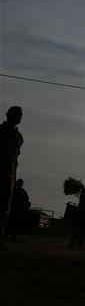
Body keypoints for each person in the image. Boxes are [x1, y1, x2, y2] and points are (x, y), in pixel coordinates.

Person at [0, 106, 24, 248]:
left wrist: (13, 179)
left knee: (4, 210)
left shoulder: (19, 137)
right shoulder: (0, 131)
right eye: (15, 113)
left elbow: (15, 159)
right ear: (7, 114)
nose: (18, 116)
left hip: (9, 176)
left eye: (20, 114)